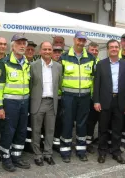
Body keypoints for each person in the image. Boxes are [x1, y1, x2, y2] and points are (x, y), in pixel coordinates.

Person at [0, 34, 31, 172]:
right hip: (9, 104)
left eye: (24, 43)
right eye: (19, 43)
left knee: (21, 131)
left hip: (24, 103)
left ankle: (16, 156)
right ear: (13, 46)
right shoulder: (3, 63)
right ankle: (5, 157)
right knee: (8, 131)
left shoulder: (26, 64)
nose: (22, 46)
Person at [93, 39, 125, 164]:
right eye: (111, 47)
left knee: (117, 129)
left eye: (116, 47)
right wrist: (96, 101)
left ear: (119, 48)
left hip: (120, 101)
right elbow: (97, 84)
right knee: (103, 128)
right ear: (108, 49)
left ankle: (116, 152)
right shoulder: (101, 64)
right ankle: (102, 152)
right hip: (104, 100)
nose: (114, 49)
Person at [59, 31, 96, 163]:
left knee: (82, 124)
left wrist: (92, 96)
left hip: (85, 97)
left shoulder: (91, 58)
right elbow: (59, 78)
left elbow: (93, 78)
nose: (81, 42)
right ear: (74, 40)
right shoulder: (64, 57)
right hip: (68, 96)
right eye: (79, 40)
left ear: (85, 42)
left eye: (83, 40)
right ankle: (65, 151)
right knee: (67, 123)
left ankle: (81, 150)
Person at [30, 42, 62, 166]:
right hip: (38, 102)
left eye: (49, 49)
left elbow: (59, 84)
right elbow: (30, 84)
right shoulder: (33, 65)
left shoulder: (58, 67)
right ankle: (37, 155)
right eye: (45, 49)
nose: (47, 51)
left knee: (50, 130)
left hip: (51, 102)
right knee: (36, 130)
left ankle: (48, 154)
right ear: (40, 51)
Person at [86, 42, 100, 154]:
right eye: (92, 50)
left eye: (96, 50)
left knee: (95, 121)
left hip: (97, 97)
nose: (94, 52)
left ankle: (94, 140)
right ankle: (87, 141)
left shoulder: (100, 63)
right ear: (87, 50)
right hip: (86, 96)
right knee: (89, 122)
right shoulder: (85, 61)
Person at [24, 40, 37, 153]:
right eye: (28, 49)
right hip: (22, 98)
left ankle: (28, 144)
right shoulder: (21, 63)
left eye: (32, 50)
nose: (30, 51)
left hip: (33, 99)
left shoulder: (36, 64)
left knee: (30, 123)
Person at [51, 45, 64, 152]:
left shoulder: (63, 65)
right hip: (49, 98)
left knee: (59, 121)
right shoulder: (47, 65)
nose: (57, 54)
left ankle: (56, 141)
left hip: (60, 98)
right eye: (55, 52)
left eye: (59, 52)